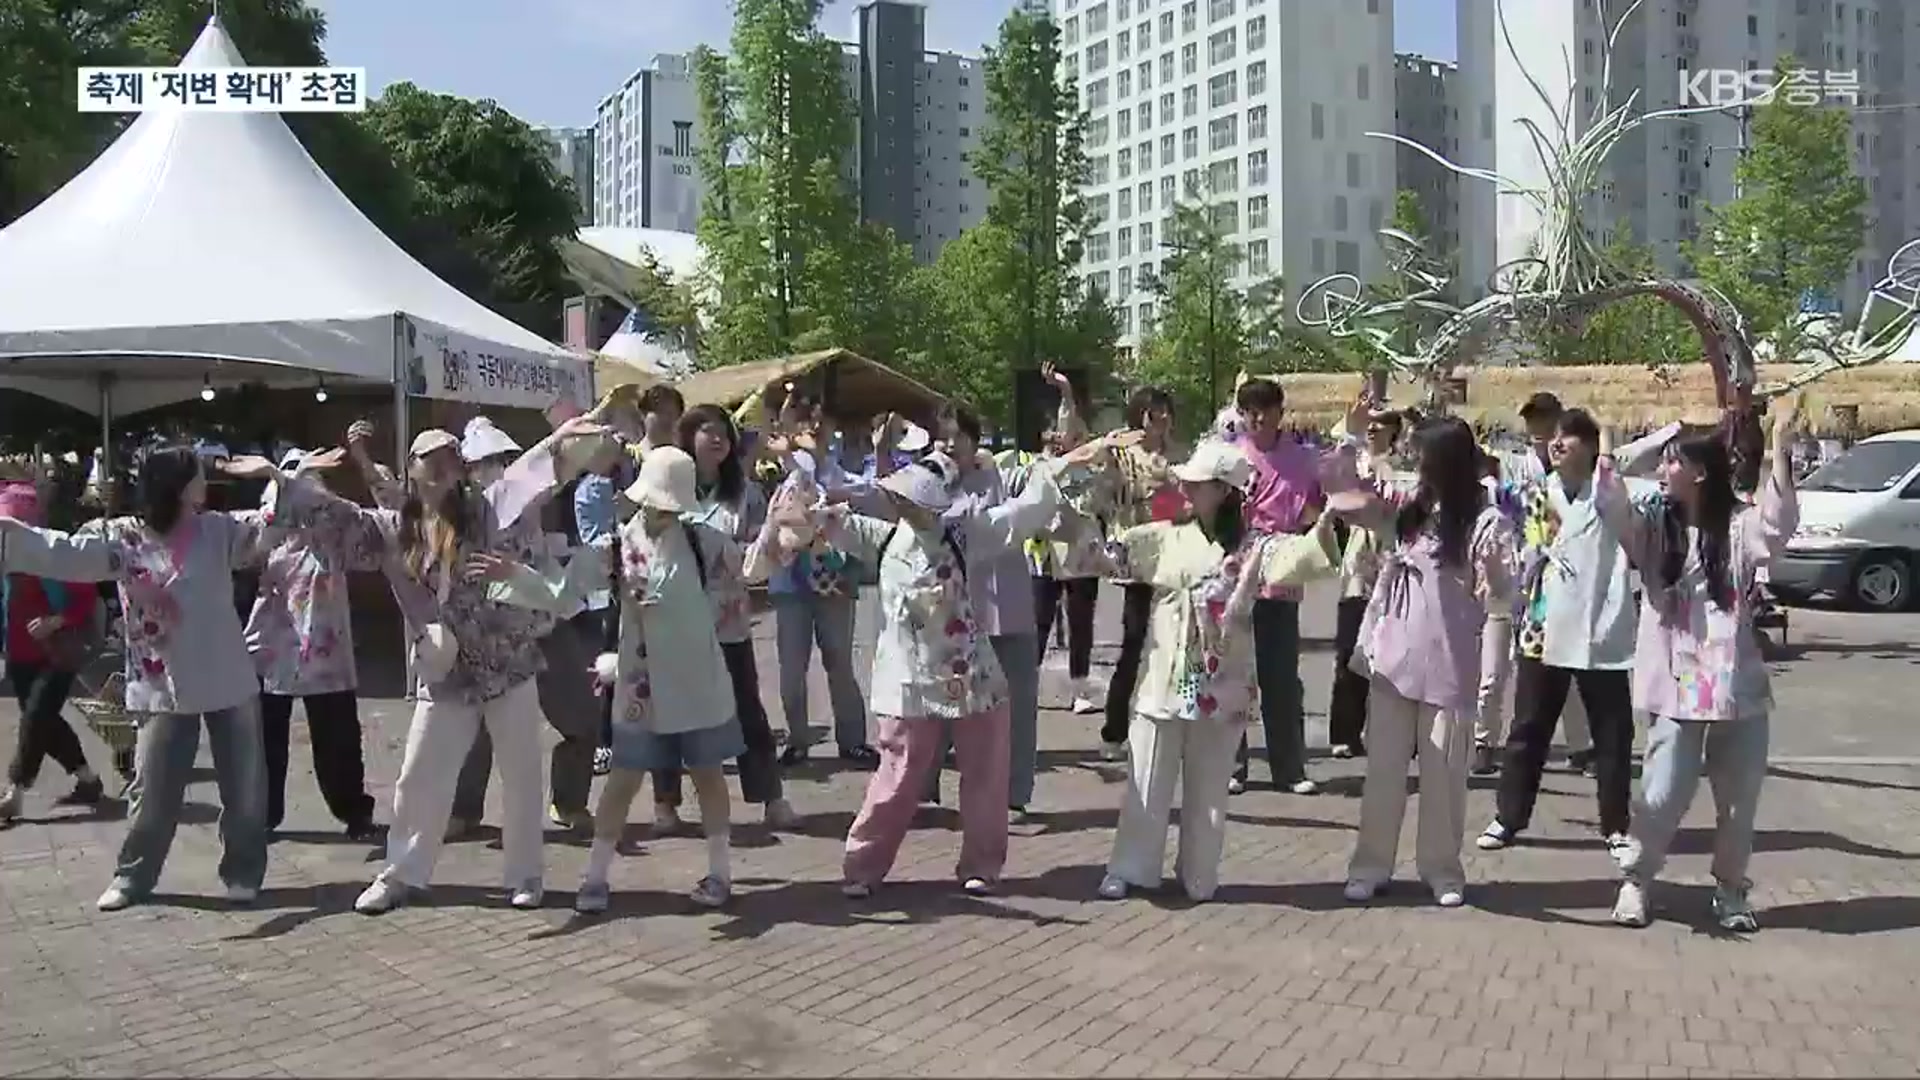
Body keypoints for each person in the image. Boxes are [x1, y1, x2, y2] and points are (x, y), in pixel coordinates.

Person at [312, 417, 600, 915]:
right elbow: (345, 512)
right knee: (419, 776)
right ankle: (400, 873)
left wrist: (565, 437)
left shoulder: (486, 510)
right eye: (434, 456)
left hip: (507, 663)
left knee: (522, 775)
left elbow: (534, 472)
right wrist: (283, 479)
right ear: (413, 467)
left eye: (453, 455)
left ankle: (526, 874)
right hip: (446, 673)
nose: (447, 463)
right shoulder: (396, 524)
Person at [751, 448, 1066, 897]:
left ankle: (982, 864)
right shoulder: (879, 537)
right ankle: (862, 866)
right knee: (897, 773)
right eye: (903, 499)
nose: (906, 505)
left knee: (985, 773)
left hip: (972, 673)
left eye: (914, 500)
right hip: (909, 681)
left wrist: (1047, 473)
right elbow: (818, 517)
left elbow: (1022, 513)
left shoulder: (966, 533)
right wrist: (797, 491)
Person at [0, 447, 276, 911]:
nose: (204, 480)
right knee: (152, 789)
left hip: (227, 674)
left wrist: (277, 477)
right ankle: (133, 876)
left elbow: (272, 527)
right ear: (177, 484)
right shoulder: (122, 537)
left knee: (244, 785)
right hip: (160, 684)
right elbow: (63, 552)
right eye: (196, 473)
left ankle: (244, 870)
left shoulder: (218, 530)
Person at [1096, 440, 1350, 902]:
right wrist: (1102, 495)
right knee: (1147, 779)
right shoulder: (1167, 536)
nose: (1188, 486)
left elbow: (1301, 557)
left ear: (1225, 490)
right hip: (1166, 675)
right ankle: (1131, 867)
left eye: (1200, 481)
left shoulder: (1257, 546)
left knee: (1210, 787)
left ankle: (1199, 871)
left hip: (1222, 681)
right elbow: (1110, 552)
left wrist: (1331, 517)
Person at [1600, 399, 1800, 932]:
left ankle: (1731, 890)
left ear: (1700, 473)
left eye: (1672, 461)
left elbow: (1777, 527)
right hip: (1677, 686)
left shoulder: (1736, 528)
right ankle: (1637, 881)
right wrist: (1657, 437)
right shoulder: (1651, 527)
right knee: (1661, 793)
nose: (1663, 470)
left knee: (1738, 802)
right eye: (1662, 461)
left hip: (1736, 685)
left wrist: (1780, 448)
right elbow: (1608, 494)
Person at [1342, 417, 1517, 909]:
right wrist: (1353, 438)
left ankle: (1442, 870)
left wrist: (1495, 579)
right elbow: (1346, 497)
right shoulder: (1410, 511)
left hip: (1449, 663)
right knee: (1383, 771)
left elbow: (1503, 587)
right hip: (1394, 659)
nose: (1414, 462)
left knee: (1443, 777)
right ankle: (1370, 865)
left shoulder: (1484, 521)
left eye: (1422, 455)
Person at [580, 446, 745, 912]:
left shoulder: (703, 540)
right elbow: (564, 589)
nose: (661, 510)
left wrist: (785, 538)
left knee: (708, 775)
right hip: (641, 685)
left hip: (697, 679)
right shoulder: (616, 544)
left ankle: (720, 873)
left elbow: (745, 577)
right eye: (655, 501)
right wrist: (518, 579)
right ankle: (595, 875)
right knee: (623, 780)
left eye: (669, 503)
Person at [1478, 408, 1636, 855]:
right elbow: (1528, 552)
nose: (1557, 443)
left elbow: (1620, 475)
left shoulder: (1607, 494)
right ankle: (1508, 817)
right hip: (1542, 627)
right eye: (1555, 437)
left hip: (1597, 628)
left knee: (1612, 732)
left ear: (1589, 448)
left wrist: (1605, 447)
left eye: (1569, 437)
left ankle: (1617, 825)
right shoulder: (1537, 495)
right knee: (1528, 728)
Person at [438, 417, 603, 839]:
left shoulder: (530, 502)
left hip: (546, 626)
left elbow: (550, 468)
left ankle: (569, 801)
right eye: (484, 461)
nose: (494, 467)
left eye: (501, 458)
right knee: (477, 728)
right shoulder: (470, 513)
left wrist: (569, 437)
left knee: (582, 719)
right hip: (492, 635)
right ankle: (463, 810)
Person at [651, 405, 797, 831]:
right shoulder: (669, 489)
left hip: (729, 621)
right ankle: (665, 802)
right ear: (687, 437)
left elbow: (762, 545)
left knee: (748, 710)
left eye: (724, 434)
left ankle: (771, 797)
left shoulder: (745, 493)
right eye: (707, 432)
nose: (717, 440)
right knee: (671, 711)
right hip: (677, 621)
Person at [245, 449, 380, 841]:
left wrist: (306, 487)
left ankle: (354, 811)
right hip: (271, 646)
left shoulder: (333, 527)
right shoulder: (266, 530)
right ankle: (263, 815)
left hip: (325, 645)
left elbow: (358, 526)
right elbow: (250, 549)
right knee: (266, 738)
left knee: (337, 737)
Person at [924, 402, 1046, 823]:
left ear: (975, 439)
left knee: (1018, 707)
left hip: (1009, 610)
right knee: (941, 702)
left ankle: (1014, 795)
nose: (948, 444)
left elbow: (1043, 487)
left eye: (957, 435)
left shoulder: (1002, 475)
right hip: (953, 615)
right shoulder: (929, 484)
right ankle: (924, 790)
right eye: (941, 436)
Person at [762, 390, 878, 768]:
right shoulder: (782, 464)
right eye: (804, 419)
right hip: (790, 581)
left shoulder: (835, 467)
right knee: (792, 666)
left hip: (834, 576)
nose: (812, 426)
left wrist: (818, 456)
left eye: (819, 421)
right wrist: (788, 437)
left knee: (839, 660)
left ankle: (853, 739)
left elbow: (852, 490)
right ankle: (797, 739)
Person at [1230, 377, 1330, 797]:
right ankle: (1232, 765)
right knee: (1234, 673)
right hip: (1236, 574)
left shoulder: (1303, 459)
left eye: (1264, 409)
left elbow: (1317, 509)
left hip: (1281, 575)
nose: (1257, 417)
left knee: (1282, 676)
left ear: (1278, 412)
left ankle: (1288, 767)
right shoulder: (1232, 456)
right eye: (1249, 409)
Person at [0, 480, 103, 823]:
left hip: (57, 653)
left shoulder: (56, 552)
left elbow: (87, 598)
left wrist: (55, 620)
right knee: (45, 721)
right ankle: (88, 780)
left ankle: (14, 792)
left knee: (35, 719)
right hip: (18, 653)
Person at [1101, 385, 1181, 761]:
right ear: (1139, 416)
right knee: (1133, 641)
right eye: (1154, 413)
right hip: (1137, 555)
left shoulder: (1176, 455)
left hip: (1173, 553)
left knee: (1176, 638)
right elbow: (1104, 486)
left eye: (1165, 412)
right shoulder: (1122, 454)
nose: (1161, 420)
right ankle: (1114, 732)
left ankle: (1174, 723)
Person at [1024, 364, 1106, 717]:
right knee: (1038, 620)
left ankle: (1079, 688)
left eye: (1060, 432)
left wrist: (1065, 390)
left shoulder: (1082, 459)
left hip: (1080, 551)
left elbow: (1070, 419)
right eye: (1049, 434)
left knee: (1080, 621)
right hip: (1043, 552)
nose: (1056, 438)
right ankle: (1026, 684)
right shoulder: (1034, 467)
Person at [1327, 405, 1406, 760]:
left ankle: (1395, 731)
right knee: (1350, 650)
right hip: (1359, 565)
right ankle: (1345, 732)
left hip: (1393, 562)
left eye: (1382, 424)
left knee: (1395, 650)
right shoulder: (1352, 460)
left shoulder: (1403, 468)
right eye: (1369, 424)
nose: (1373, 429)